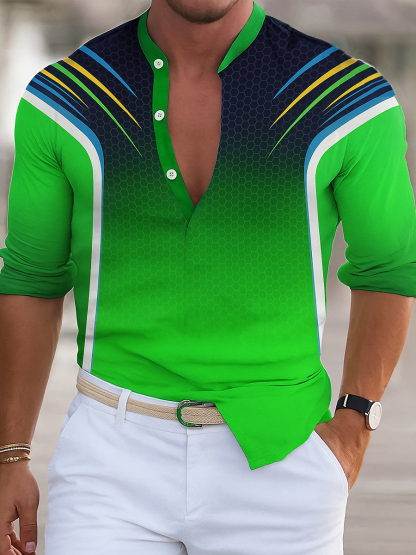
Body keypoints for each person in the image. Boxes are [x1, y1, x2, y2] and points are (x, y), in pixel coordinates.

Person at [0, 0, 415, 553]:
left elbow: (388, 269)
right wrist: (10, 454)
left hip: (283, 455)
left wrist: (354, 428)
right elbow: (32, 279)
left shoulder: (348, 99)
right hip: (108, 464)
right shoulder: (65, 99)